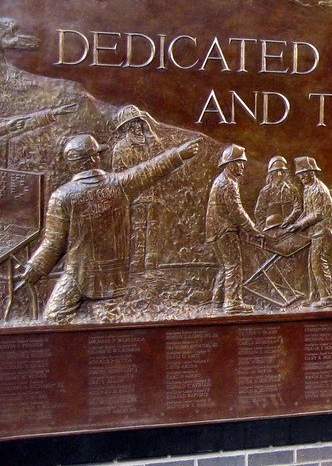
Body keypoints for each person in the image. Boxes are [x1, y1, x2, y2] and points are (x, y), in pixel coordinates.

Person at [19, 133, 199, 323]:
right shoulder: (120, 184)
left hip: (78, 276)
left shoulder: (62, 196)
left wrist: (35, 268)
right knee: (110, 327)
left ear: (72, 163)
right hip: (113, 276)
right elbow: (151, 168)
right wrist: (179, 153)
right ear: (95, 158)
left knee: (54, 318)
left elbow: (54, 243)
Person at [206, 144, 263, 314]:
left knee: (225, 266)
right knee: (234, 266)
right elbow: (237, 211)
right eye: (240, 162)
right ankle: (233, 303)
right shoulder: (228, 183)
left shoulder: (220, 180)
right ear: (230, 164)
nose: (242, 166)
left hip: (214, 231)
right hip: (224, 231)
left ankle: (217, 301)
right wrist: (253, 230)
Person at [110, 104, 163, 275]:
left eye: (139, 123)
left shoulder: (149, 142)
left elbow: (161, 156)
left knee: (153, 229)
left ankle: (151, 266)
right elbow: (119, 176)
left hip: (153, 194)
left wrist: (150, 132)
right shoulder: (120, 148)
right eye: (132, 124)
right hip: (135, 196)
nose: (137, 128)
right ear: (126, 127)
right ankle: (135, 265)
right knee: (137, 229)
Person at [286, 156, 332, 307]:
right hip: (314, 232)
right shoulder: (307, 188)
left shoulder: (319, 189)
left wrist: (300, 225)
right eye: (299, 174)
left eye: (303, 173)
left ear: (311, 172)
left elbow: (318, 214)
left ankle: (327, 298)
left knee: (318, 263)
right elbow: (307, 211)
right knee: (311, 264)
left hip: (323, 231)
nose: (301, 177)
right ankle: (315, 296)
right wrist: (294, 223)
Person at [254, 156, 301, 231]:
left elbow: (298, 208)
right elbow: (259, 211)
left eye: (282, 171)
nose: (279, 174)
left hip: (289, 228)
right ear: (271, 173)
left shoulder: (292, 190)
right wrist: (264, 227)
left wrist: (289, 220)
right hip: (270, 229)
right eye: (276, 171)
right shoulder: (265, 191)